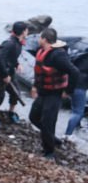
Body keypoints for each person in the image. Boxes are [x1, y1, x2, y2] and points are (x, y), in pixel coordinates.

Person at [29, 28, 79, 159]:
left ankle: (49, 152)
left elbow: (74, 72)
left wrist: (68, 91)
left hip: (54, 94)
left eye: (40, 37)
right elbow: (38, 72)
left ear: (44, 39)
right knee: (33, 117)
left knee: (48, 122)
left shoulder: (58, 55)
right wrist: (34, 87)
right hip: (43, 91)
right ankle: (52, 138)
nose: (38, 39)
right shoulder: (41, 51)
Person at [0, 21, 29, 128]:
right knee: (0, 96)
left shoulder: (19, 42)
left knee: (16, 93)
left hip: (10, 72)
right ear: (23, 31)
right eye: (26, 29)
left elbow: (11, 57)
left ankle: (11, 113)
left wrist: (17, 64)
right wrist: (5, 75)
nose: (28, 31)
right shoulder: (9, 43)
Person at [65, 54, 88, 139]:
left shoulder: (81, 56)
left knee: (77, 109)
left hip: (71, 84)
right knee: (78, 112)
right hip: (80, 87)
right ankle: (68, 135)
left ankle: (76, 127)